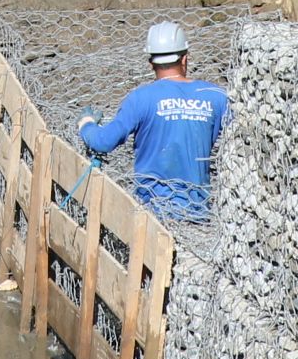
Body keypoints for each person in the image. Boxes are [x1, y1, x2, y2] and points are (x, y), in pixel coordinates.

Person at [79, 21, 230, 220]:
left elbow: (103, 142)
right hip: (198, 214)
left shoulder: (140, 99)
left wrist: (87, 125)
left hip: (151, 216)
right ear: (185, 59)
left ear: (151, 63)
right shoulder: (216, 96)